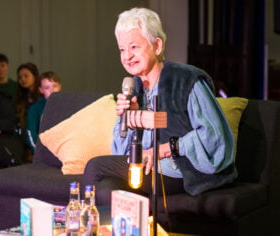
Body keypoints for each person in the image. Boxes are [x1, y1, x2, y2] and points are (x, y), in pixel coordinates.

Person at [82, 7, 236, 205]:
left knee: (95, 167)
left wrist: (162, 150)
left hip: (182, 172)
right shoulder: (135, 88)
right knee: (105, 191)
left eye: (134, 47)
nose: (127, 56)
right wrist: (128, 121)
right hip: (146, 170)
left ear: (157, 45)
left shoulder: (186, 80)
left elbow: (214, 137)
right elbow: (120, 154)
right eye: (122, 49)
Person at [25, 71, 62, 154]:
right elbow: (31, 133)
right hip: (43, 151)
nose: (52, 91)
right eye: (47, 88)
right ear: (41, 90)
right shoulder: (35, 109)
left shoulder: (68, 105)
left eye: (54, 86)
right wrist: (38, 151)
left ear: (60, 87)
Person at [16, 62, 42, 131]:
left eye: (26, 76)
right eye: (20, 77)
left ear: (35, 76)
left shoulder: (44, 95)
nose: (22, 79)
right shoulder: (21, 96)